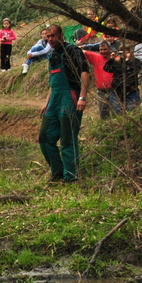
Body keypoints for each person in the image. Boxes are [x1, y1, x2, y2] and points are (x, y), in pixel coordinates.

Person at [38, 24, 90, 183]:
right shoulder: (52, 55)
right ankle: (57, 171)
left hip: (70, 96)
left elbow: (85, 72)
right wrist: (47, 103)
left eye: (53, 35)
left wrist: (82, 97)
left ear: (61, 35)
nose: (50, 39)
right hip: (54, 98)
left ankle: (71, 176)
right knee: (45, 137)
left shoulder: (73, 51)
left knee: (68, 138)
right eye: (48, 37)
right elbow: (52, 83)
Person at [104, 46, 142, 114]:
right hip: (117, 91)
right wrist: (111, 58)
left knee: (132, 112)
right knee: (117, 112)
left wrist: (128, 61)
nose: (123, 53)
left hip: (131, 90)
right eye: (121, 51)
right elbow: (106, 68)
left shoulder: (135, 61)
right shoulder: (116, 62)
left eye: (125, 51)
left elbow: (136, 69)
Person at [83, 45, 115, 119]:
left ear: (110, 49)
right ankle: (106, 129)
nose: (102, 51)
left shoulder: (115, 58)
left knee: (116, 113)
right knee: (103, 114)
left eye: (105, 49)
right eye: (101, 49)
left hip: (114, 90)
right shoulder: (95, 57)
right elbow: (82, 52)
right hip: (101, 91)